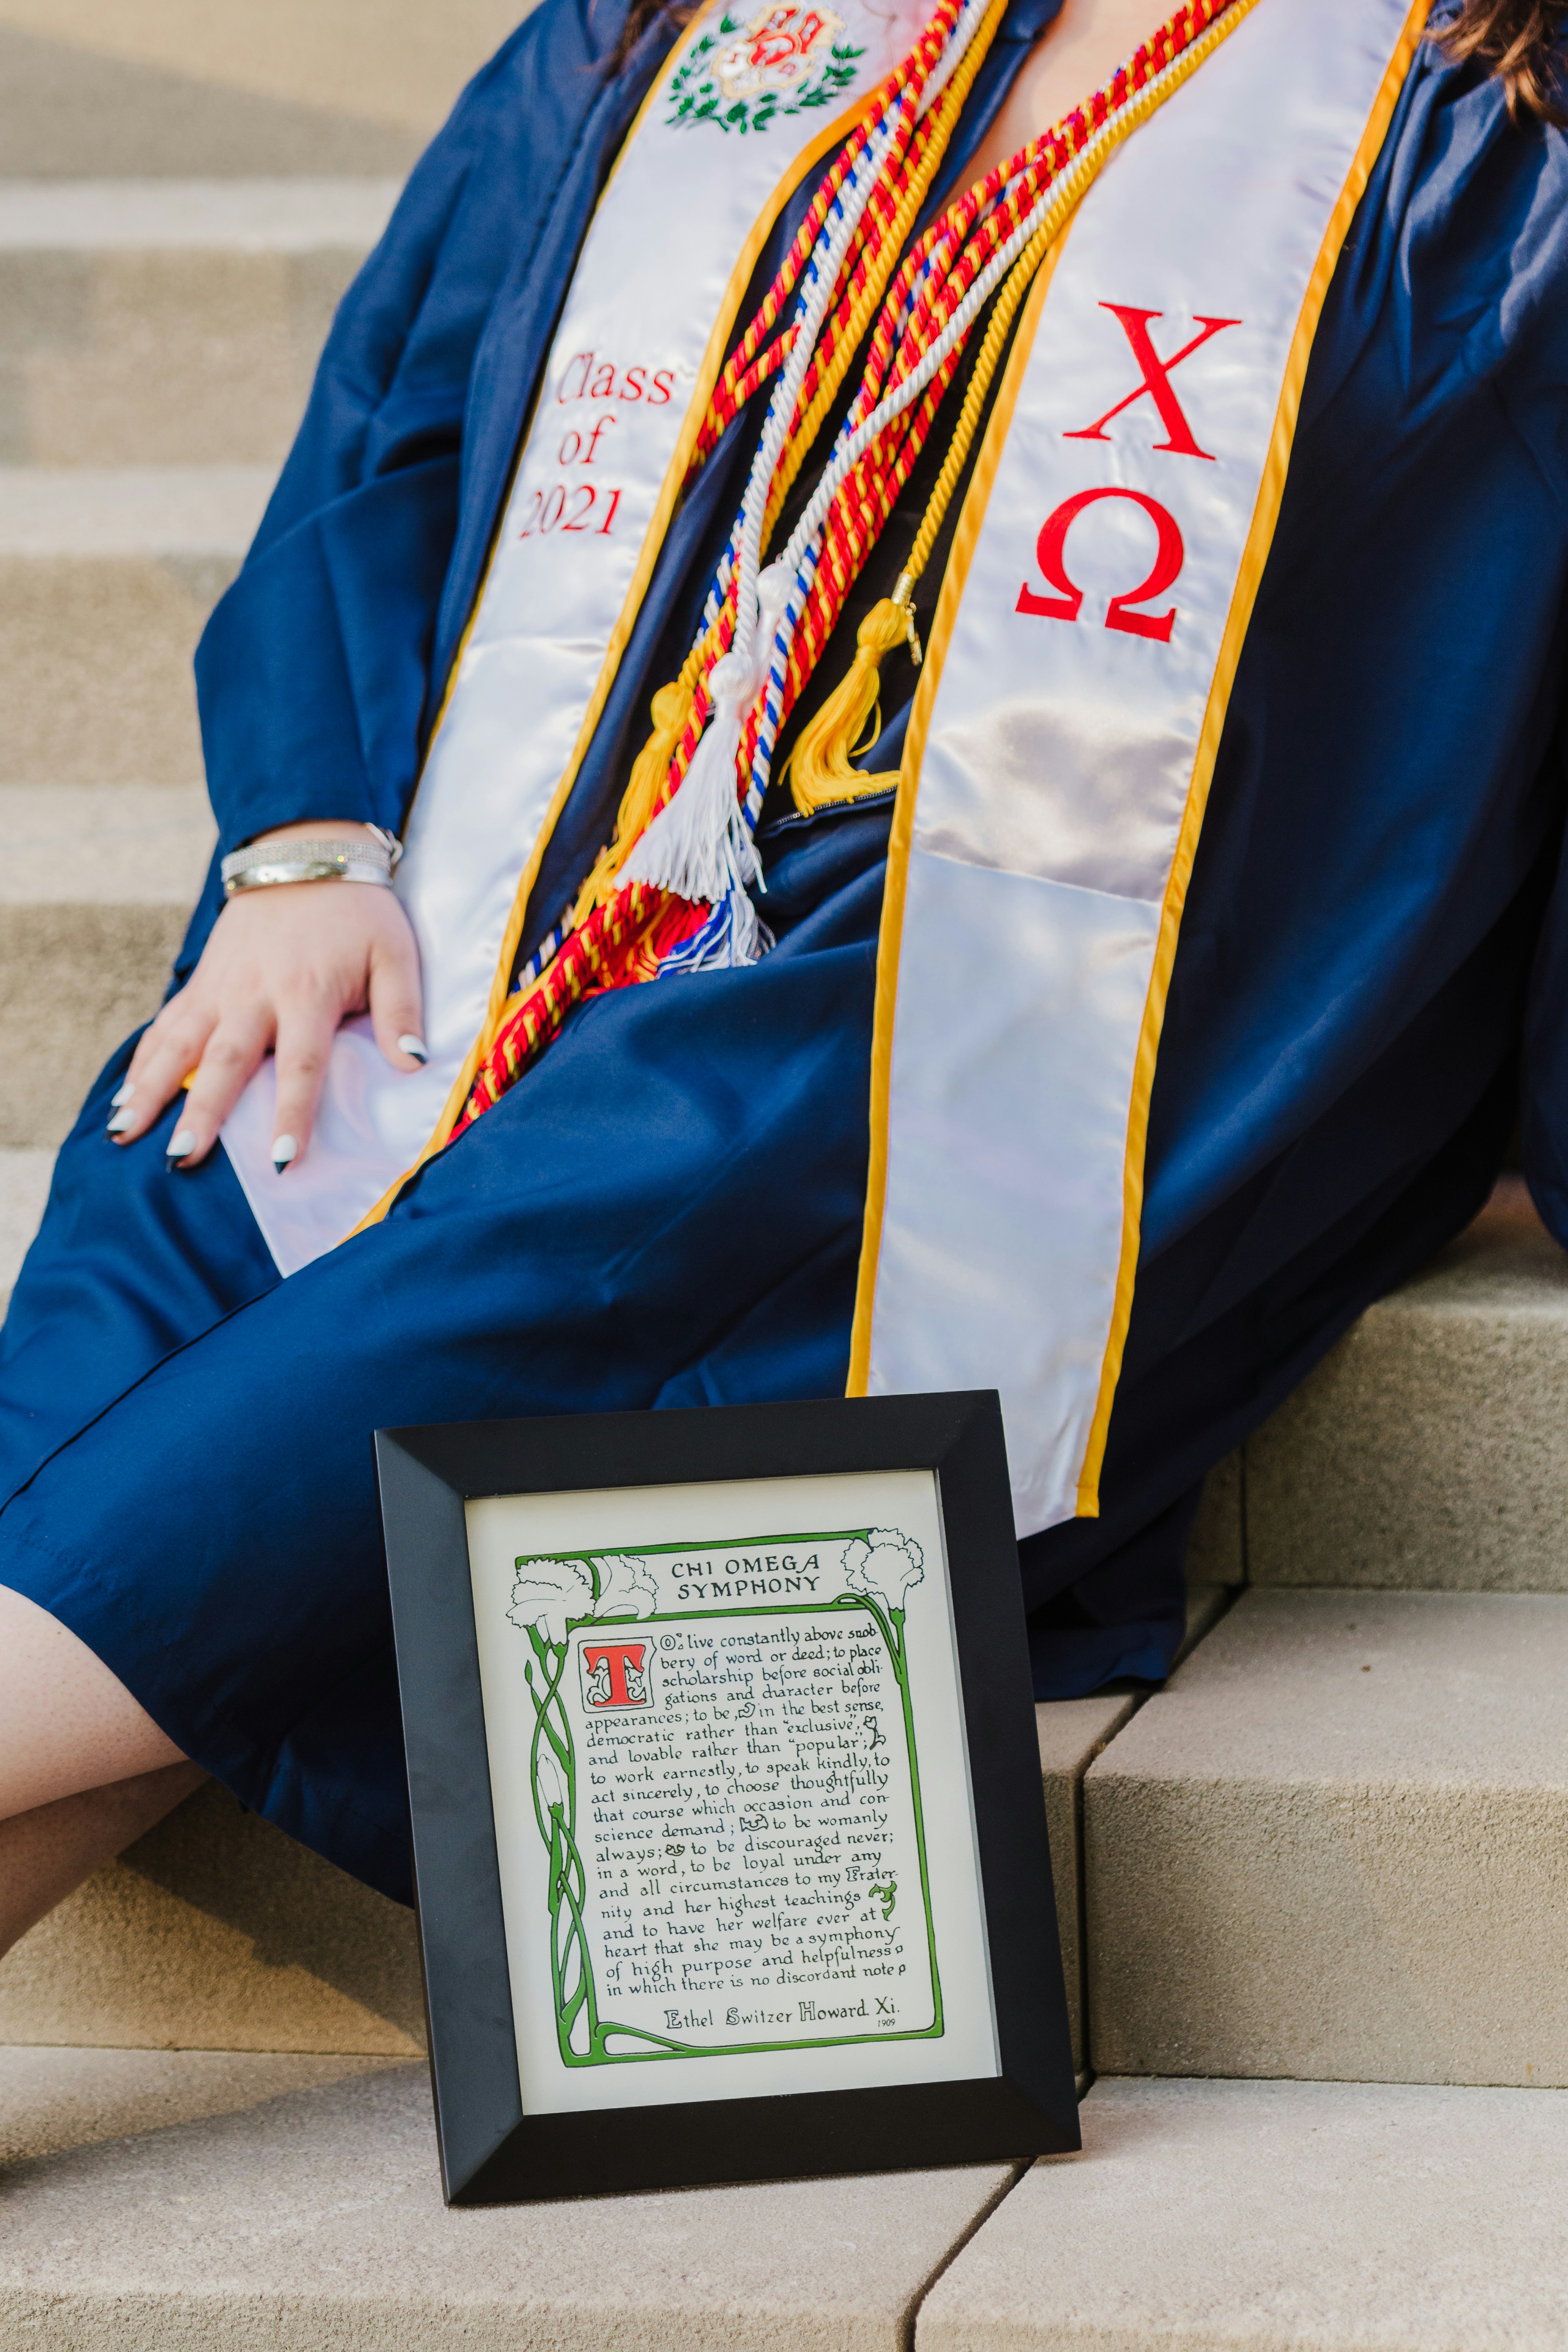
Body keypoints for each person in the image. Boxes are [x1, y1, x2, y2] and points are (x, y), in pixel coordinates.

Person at [2, 0, 1565, 1956]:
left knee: (600, 1223)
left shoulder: (1483, 135)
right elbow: (398, 420)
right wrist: (306, 841)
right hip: (523, 897)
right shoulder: (691, 31)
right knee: (199, 1174)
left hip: (996, 1018)